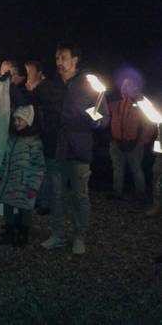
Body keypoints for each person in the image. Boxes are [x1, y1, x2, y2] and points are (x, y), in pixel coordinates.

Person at [41, 43, 109, 255]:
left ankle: (80, 237)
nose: (59, 62)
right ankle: (58, 235)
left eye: (62, 57)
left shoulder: (89, 85)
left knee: (80, 195)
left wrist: (95, 120)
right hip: (55, 149)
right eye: (57, 58)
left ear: (75, 60)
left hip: (79, 149)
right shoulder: (51, 86)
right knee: (57, 194)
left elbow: (104, 118)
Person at [0, 105, 45, 247]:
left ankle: (23, 234)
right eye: (15, 119)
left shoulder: (34, 142)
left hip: (25, 182)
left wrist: (33, 186)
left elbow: (38, 166)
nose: (16, 122)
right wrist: (0, 176)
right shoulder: (12, 138)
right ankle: (9, 232)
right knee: (8, 207)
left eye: (20, 119)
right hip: (10, 180)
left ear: (28, 121)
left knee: (25, 208)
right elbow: (6, 159)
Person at [107, 78, 153, 201]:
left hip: (135, 144)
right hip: (116, 142)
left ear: (136, 87)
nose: (124, 87)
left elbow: (149, 124)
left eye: (128, 85)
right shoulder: (116, 101)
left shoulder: (142, 103)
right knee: (118, 169)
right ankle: (117, 192)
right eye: (123, 85)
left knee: (136, 169)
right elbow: (104, 112)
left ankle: (141, 194)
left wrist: (142, 140)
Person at [26, 60, 62, 215]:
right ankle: (43, 202)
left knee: (47, 171)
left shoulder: (44, 89)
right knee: (44, 171)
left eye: (30, 72)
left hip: (49, 138)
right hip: (47, 137)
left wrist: (31, 92)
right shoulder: (42, 88)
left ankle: (45, 204)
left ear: (39, 73)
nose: (28, 76)